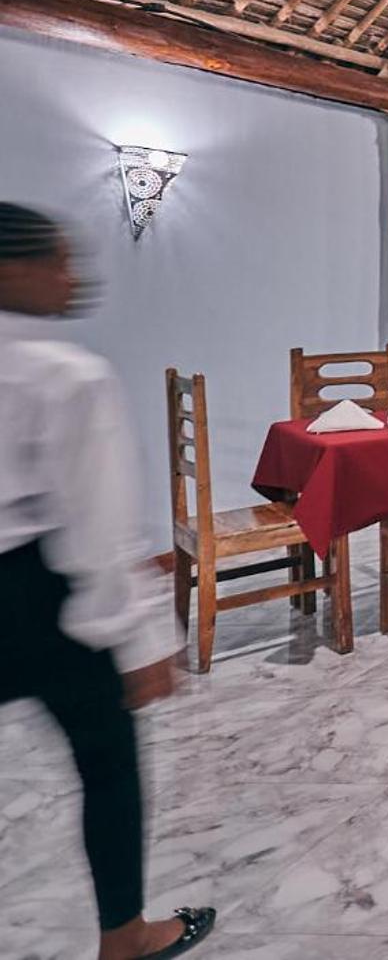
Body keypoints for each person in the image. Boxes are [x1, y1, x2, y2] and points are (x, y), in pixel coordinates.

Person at [0, 204, 216, 960]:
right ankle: (125, 936)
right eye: (59, 261)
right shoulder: (66, 374)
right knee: (109, 763)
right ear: (13, 270)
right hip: (35, 589)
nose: (74, 276)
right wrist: (139, 637)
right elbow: (95, 529)